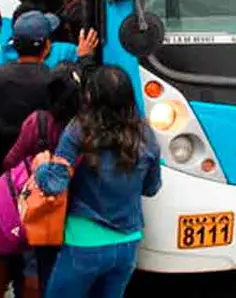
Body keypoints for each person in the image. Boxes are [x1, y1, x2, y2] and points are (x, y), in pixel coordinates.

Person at [34, 65, 162, 298]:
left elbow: (54, 184)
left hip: (83, 244)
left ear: (90, 95)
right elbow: (152, 188)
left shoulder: (78, 129)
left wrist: (41, 166)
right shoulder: (146, 134)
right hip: (127, 244)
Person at [3, 62, 86, 296]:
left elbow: (11, 160)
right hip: (78, 215)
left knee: (41, 266)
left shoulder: (37, 122)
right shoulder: (89, 128)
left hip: (42, 214)